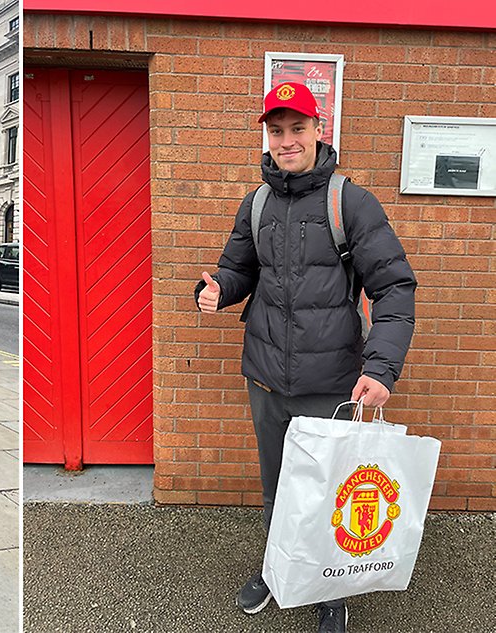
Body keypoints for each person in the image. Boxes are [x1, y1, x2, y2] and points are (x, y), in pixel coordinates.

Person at [194, 82, 416, 633]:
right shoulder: (258, 202)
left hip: (331, 380)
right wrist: (219, 288)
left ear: (320, 131)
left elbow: (394, 288)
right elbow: (240, 269)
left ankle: (330, 591)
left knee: (326, 492)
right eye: (277, 130)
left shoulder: (351, 202)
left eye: (297, 129)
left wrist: (381, 368)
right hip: (266, 379)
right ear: (266, 138)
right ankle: (275, 569)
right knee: (277, 487)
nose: (287, 140)